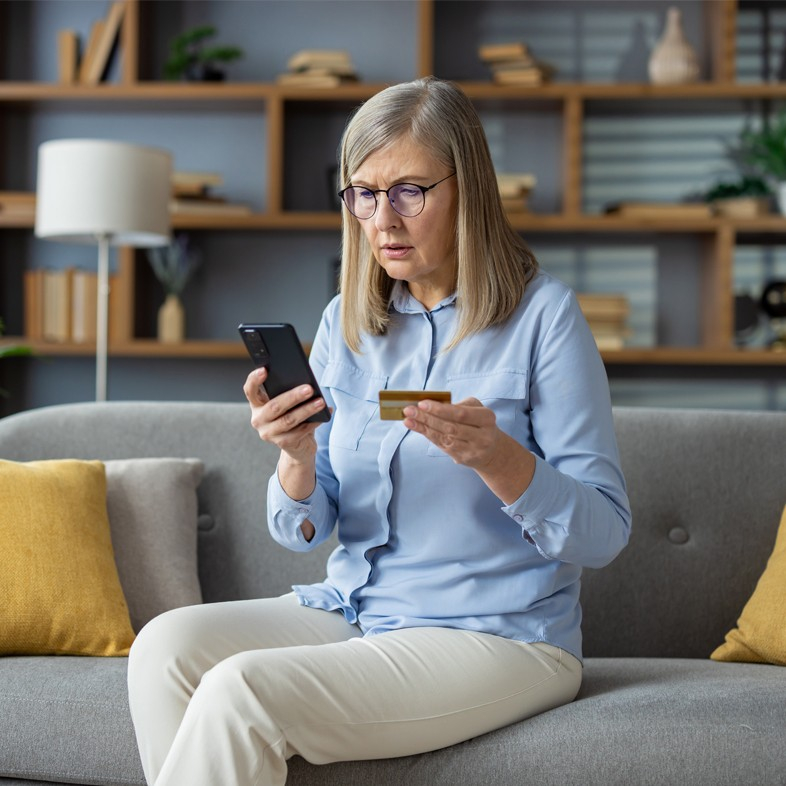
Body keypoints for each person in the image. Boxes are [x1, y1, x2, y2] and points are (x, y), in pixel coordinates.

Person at [127, 76, 631, 786]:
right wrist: (297, 458)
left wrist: (501, 461)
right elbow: (306, 522)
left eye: (408, 191)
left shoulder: (546, 320)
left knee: (241, 692)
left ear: (468, 190)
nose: (382, 219)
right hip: (359, 607)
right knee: (165, 645)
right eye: (362, 192)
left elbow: (605, 531)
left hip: (498, 636)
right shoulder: (349, 323)